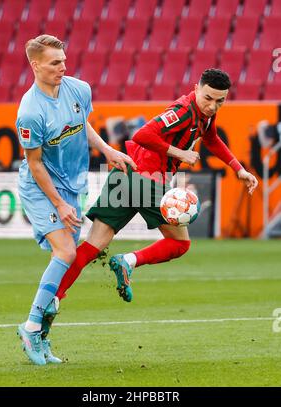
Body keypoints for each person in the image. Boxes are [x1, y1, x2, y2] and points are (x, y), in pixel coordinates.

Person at [42, 68, 259, 359]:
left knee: (92, 247)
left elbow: (212, 138)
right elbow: (143, 134)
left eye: (220, 101)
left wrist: (239, 169)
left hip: (125, 177)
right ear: (196, 88)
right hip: (147, 178)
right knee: (180, 244)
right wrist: (179, 153)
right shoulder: (183, 110)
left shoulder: (204, 114)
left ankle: (50, 301)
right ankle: (128, 261)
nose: (212, 105)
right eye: (208, 98)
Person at [15, 34, 136, 366]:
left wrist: (108, 150)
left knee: (66, 259)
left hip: (73, 186)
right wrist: (59, 204)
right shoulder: (29, 112)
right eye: (55, 63)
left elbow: (82, 125)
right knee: (66, 251)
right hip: (42, 188)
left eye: (64, 60)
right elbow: (36, 163)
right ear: (35, 65)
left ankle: (40, 334)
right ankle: (30, 327)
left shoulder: (79, 88)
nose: (62, 67)